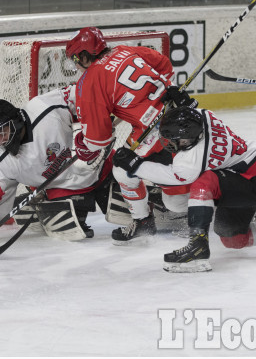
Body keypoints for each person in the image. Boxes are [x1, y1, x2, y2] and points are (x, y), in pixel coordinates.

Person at [113, 106, 256, 273]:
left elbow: (174, 176)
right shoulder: (204, 115)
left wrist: (135, 165)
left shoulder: (192, 162)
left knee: (205, 182)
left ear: (187, 139)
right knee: (233, 239)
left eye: (173, 140)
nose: (168, 143)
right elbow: (189, 112)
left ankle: (198, 247)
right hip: (247, 174)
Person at [0, 85, 115, 247]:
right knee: (63, 226)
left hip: (97, 167)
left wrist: (99, 125)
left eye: (3, 131)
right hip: (59, 187)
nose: (1, 139)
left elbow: (86, 95)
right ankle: (51, 204)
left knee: (122, 208)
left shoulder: (44, 108)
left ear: (17, 121)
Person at [65, 26, 196, 244]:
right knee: (186, 176)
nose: (76, 65)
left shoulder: (88, 81)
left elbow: (99, 140)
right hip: (183, 114)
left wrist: (84, 143)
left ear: (85, 55)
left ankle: (143, 220)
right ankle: (215, 192)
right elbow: (164, 65)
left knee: (123, 169)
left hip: (158, 133)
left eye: (75, 59)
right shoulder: (124, 50)